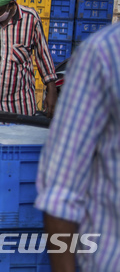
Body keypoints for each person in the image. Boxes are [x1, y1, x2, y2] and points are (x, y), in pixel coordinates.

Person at [35, 22, 120, 271]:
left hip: (18, 96)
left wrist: (50, 86)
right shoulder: (105, 53)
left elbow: (41, 53)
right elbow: (60, 195)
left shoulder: (28, 20)